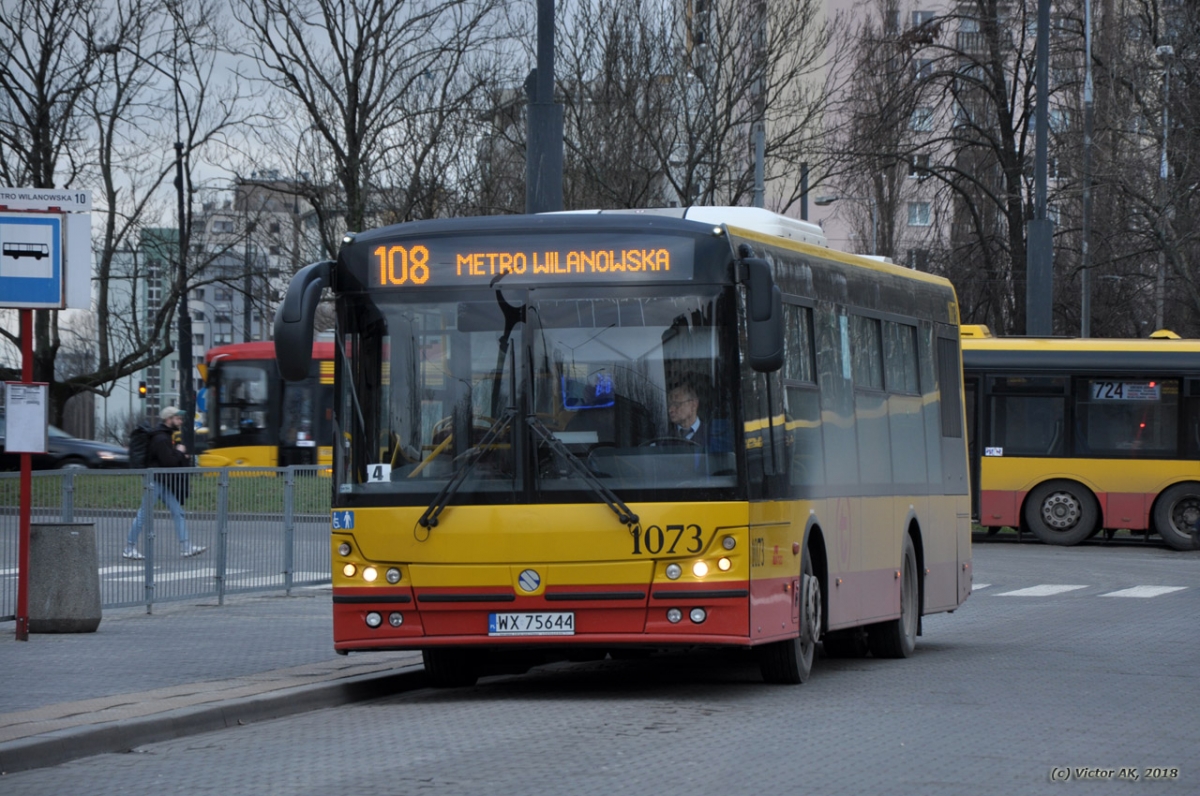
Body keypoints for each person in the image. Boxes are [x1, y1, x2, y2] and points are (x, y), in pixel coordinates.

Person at [124, 406, 206, 560]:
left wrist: (179, 453)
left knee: (178, 512)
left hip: (162, 481)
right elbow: (169, 461)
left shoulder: (164, 436)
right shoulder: (161, 438)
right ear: (169, 419)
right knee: (143, 514)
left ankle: (186, 547)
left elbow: (168, 458)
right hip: (155, 481)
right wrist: (180, 452)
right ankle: (129, 548)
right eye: (177, 418)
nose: (180, 421)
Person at [666, 383, 705, 448]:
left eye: (676, 404)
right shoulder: (665, 438)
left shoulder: (711, 436)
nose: (670, 410)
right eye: (669, 405)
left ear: (694, 405)